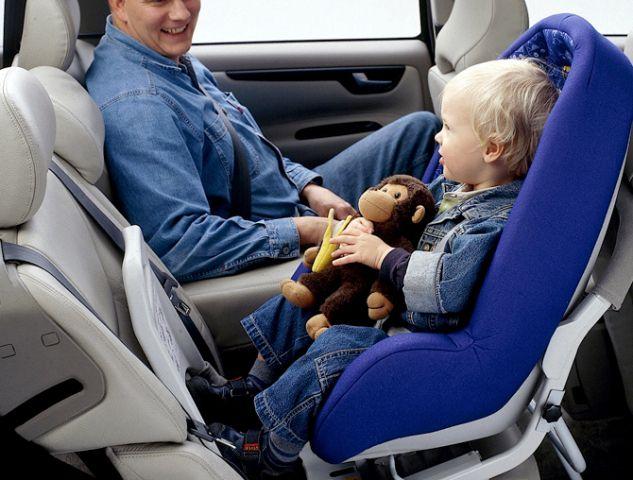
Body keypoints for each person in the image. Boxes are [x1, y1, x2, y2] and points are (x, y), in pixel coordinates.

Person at [188, 58, 560, 478]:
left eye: (449, 128)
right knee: (306, 293)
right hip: (391, 301)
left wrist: (380, 255)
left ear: (491, 149)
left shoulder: (490, 222)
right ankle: (253, 386)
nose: (437, 136)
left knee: (334, 348)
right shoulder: (460, 185)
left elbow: (444, 289)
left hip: (416, 336)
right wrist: (375, 229)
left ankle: (272, 452)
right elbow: (412, 219)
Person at [86, 0, 441, 281]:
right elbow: (180, 245)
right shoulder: (139, 104)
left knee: (419, 132)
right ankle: (437, 271)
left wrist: (309, 188)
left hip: (290, 202)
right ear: (119, 4)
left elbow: (249, 149)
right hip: (265, 235)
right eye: (158, 0)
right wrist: (310, 230)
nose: (180, 13)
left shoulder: (167, 60)